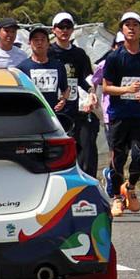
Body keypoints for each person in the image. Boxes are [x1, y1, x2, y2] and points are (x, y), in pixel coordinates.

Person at [101, 12, 140, 216]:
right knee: (118, 158)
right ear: (121, 29)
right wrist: (126, 90)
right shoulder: (114, 57)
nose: (131, 28)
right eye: (127, 25)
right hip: (119, 114)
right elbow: (106, 88)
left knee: (138, 156)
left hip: (139, 114)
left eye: (135, 25)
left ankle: (130, 187)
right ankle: (117, 199)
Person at [49, 13, 98, 178]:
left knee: (84, 149)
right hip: (53, 112)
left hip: (76, 110)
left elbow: (85, 78)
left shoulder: (79, 54)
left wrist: (92, 92)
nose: (64, 30)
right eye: (61, 27)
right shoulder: (48, 52)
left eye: (68, 27)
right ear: (53, 29)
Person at [19, 26, 75, 134]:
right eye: (36, 40)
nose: (39, 43)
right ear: (29, 43)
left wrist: (63, 100)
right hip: (30, 117)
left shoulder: (58, 66)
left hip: (52, 118)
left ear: (48, 43)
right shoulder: (22, 68)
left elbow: (65, 89)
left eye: (43, 39)